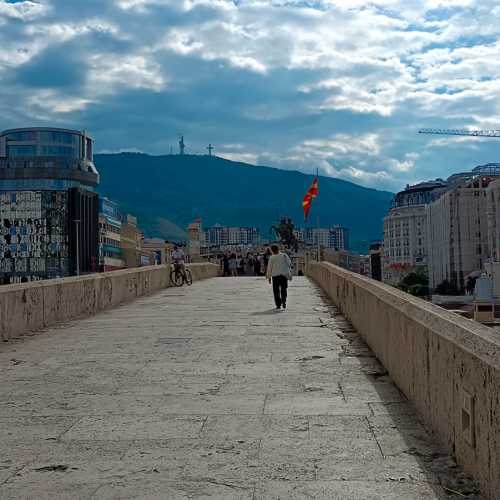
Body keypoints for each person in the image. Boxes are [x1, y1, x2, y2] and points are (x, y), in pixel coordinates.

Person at [266, 244, 292, 310]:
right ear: (278, 249)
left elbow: (269, 268)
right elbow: (289, 263)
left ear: (272, 250)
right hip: (283, 276)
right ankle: (284, 301)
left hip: (275, 277)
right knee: (284, 289)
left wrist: (269, 277)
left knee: (276, 291)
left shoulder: (272, 257)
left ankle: (278, 304)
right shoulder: (284, 255)